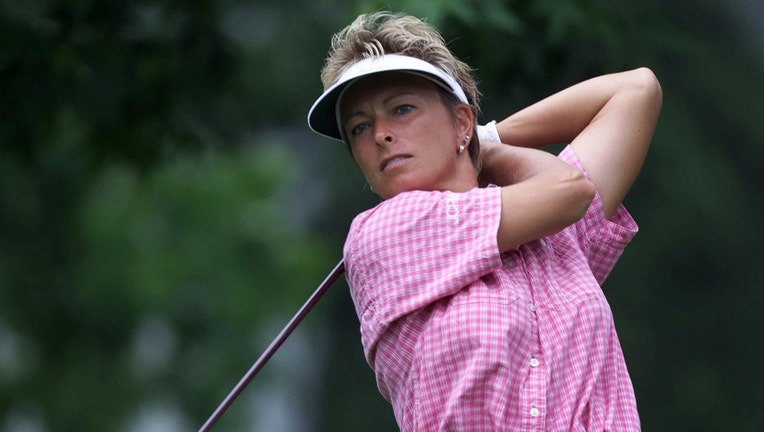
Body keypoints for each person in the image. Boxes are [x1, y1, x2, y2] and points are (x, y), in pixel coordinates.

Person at [308, 11, 662, 431]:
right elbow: (569, 191)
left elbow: (635, 90)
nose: (381, 134)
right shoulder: (383, 233)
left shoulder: (552, 234)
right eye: (360, 128)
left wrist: (485, 139)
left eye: (402, 109)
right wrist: (474, 148)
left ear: (461, 121)